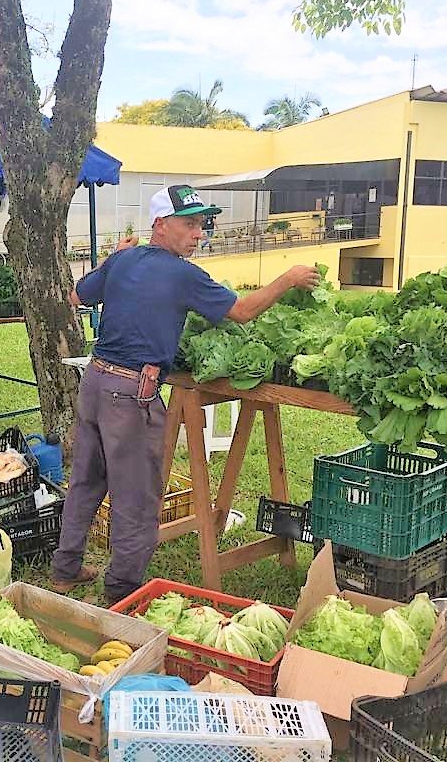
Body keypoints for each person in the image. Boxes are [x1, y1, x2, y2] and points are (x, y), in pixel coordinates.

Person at [50, 185, 320, 604]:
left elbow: (75, 295)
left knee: (86, 481)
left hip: (95, 382)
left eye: (202, 225)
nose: (199, 234)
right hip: (131, 394)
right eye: (190, 224)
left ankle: (65, 572)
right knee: (137, 498)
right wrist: (288, 278)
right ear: (161, 225)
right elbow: (244, 312)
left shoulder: (123, 259)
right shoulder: (183, 274)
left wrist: (114, 256)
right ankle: (123, 594)